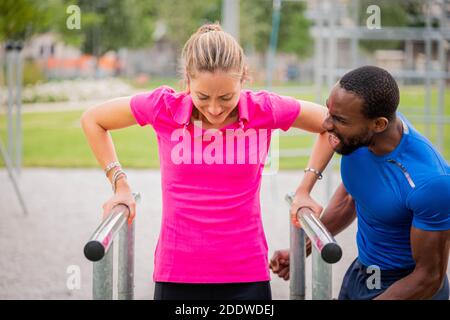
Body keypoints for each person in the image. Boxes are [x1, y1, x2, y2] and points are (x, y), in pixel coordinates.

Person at [81, 23, 334, 300]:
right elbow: (93, 119)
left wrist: (305, 188)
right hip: (177, 270)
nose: (215, 108)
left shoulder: (264, 109)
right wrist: (120, 184)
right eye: (203, 97)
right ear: (188, 81)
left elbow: (331, 125)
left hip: (246, 272)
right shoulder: (164, 107)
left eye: (226, 97)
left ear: (243, 80)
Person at [270, 65, 450, 300]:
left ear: (379, 124)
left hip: (405, 288)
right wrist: (301, 249)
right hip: (361, 275)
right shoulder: (358, 139)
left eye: (339, 120)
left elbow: (428, 278)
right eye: (329, 111)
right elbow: (349, 198)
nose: (326, 125)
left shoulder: (431, 182)